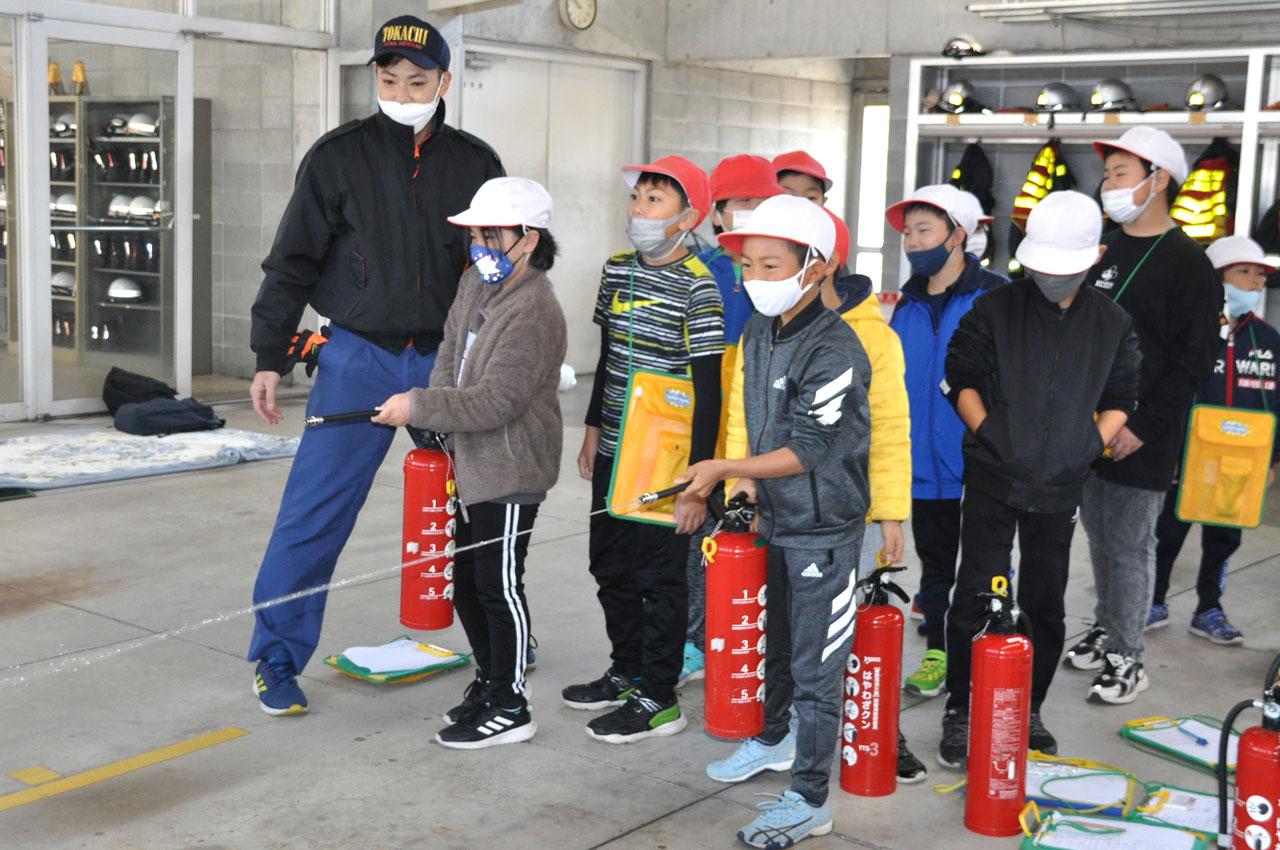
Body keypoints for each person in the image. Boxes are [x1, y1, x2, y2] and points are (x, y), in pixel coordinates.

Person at [245, 15, 503, 716]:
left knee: (485, 504)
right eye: (389, 80)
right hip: (357, 357)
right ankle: (276, 658)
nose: (401, 93)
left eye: (417, 81)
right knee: (313, 514)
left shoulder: (475, 163)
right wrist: (270, 354)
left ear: (444, 81)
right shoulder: (337, 157)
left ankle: (501, 640)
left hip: (446, 361)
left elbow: (503, 263)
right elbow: (291, 260)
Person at [678, 194, 871, 848]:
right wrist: (745, 485)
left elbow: (809, 448)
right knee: (779, 653)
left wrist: (724, 467)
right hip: (775, 521)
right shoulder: (760, 331)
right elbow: (760, 422)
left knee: (817, 671)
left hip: (824, 529)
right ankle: (775, 740)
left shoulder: (836, 347)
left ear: (815, 267)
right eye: (749, 266)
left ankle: (810, 799)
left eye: (770, 265)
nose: (755, 278)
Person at [938, 191, 1141, 769]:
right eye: (1041, 266)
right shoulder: (994, 309)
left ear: (1095, 258)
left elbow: (1122, 397)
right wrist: (991, 434)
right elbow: (960, 377)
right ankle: (962, 707)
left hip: (1060, 487)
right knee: (978, 591)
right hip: (992, 476)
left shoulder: (1112, 324)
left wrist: (1086, 447)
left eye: (1063, 268)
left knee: (1044, 601)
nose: (1050, 277)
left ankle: (1028, 706)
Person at [371, 177, 565, 748]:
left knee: (498, 587)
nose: (480, 246)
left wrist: (419, 406)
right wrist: (432, 412)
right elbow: (449, 354)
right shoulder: (476, 282)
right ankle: (490, 681)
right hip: (469, 460)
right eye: (475, 235)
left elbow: (498, 401)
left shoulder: (535, 309)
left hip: (511, 467)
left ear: (529, 240)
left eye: (492, 235)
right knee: (465, 584)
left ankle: (512, 705)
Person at [562, 156, 724, 744]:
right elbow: (607, 355)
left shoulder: (700, 286)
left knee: (659, 576)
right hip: (614, 445)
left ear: (688, 218)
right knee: (610, 564)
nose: (639, 210)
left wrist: (697, 483)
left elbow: (710, 389)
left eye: (654, 200)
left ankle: (659, 695)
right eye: (637, 198)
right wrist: (591, 430)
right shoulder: (617, 270)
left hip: (666, 456)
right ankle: (627, 669)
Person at [1066, 127, 1221, 705]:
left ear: (1158, 180)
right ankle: (1107, 627)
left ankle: (1128, 657)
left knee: (1130, 544)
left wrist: (1143, 426)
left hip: (1143, 431)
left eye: (1121, 173)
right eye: (1107, 173)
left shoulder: (1189, 263)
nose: (1109, 183)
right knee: (1100, 537)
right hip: (1089, 425)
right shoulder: (1104, 248)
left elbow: (1193, 360)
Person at [886, 184, 1006, 703]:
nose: (913, 241)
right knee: (934, 563)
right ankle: (937, 650)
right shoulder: (907, 303)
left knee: (987, 564)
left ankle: (986, 646)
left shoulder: (995, 296)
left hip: (981, 460)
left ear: (957, 235)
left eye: (924, 230)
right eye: (908, 232)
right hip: (921, 462)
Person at [681, 154, 783, 688]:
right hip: (707, 434)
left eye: (762, 202)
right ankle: (697, 641)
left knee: (759, 541)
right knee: (703, 543)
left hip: (764, 439)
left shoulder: (780, 274)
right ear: (717, 213)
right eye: (741, 202)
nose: (752, 210)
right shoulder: (700, 273)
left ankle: (758, 637)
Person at [1150, 235, 1279, 645]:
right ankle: (1153, 599)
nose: (1255, 281)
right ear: (1216, 278)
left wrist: (1272, 460)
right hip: (1186, 455)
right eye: (1244, 272)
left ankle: (1209, 607)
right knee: (1167, 532)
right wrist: (1166, 450)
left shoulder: (1268, 342)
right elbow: (1167, 391)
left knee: (1224, 538)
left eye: (1260, 274)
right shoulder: (1188, 331)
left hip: (1240, 461)